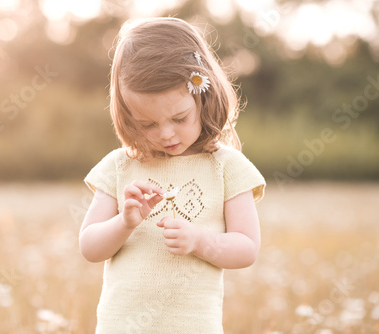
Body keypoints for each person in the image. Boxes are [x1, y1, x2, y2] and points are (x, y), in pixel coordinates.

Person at [79, 17, 266, 334]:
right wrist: (124, 222)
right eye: (147, 124)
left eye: (179, 117)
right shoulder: (119, 166)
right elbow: (89, 247)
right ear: (127, 115)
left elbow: (246, 247)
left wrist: (199, 241)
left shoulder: (226, 166)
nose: (166, 134)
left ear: (202, 95)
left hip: (192, 326)